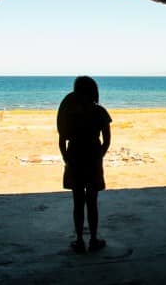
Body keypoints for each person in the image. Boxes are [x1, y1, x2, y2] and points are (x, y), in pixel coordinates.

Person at [57, 76, 112, 253]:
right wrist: (99, 156)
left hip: (74, 157)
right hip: (93, 158)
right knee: (92, 202)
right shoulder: (100, 112)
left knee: (78, 201)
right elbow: (107, 140)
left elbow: (61, 139)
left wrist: (66, 158)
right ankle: (94, 239)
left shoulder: (70, 112)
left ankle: (80, 240)